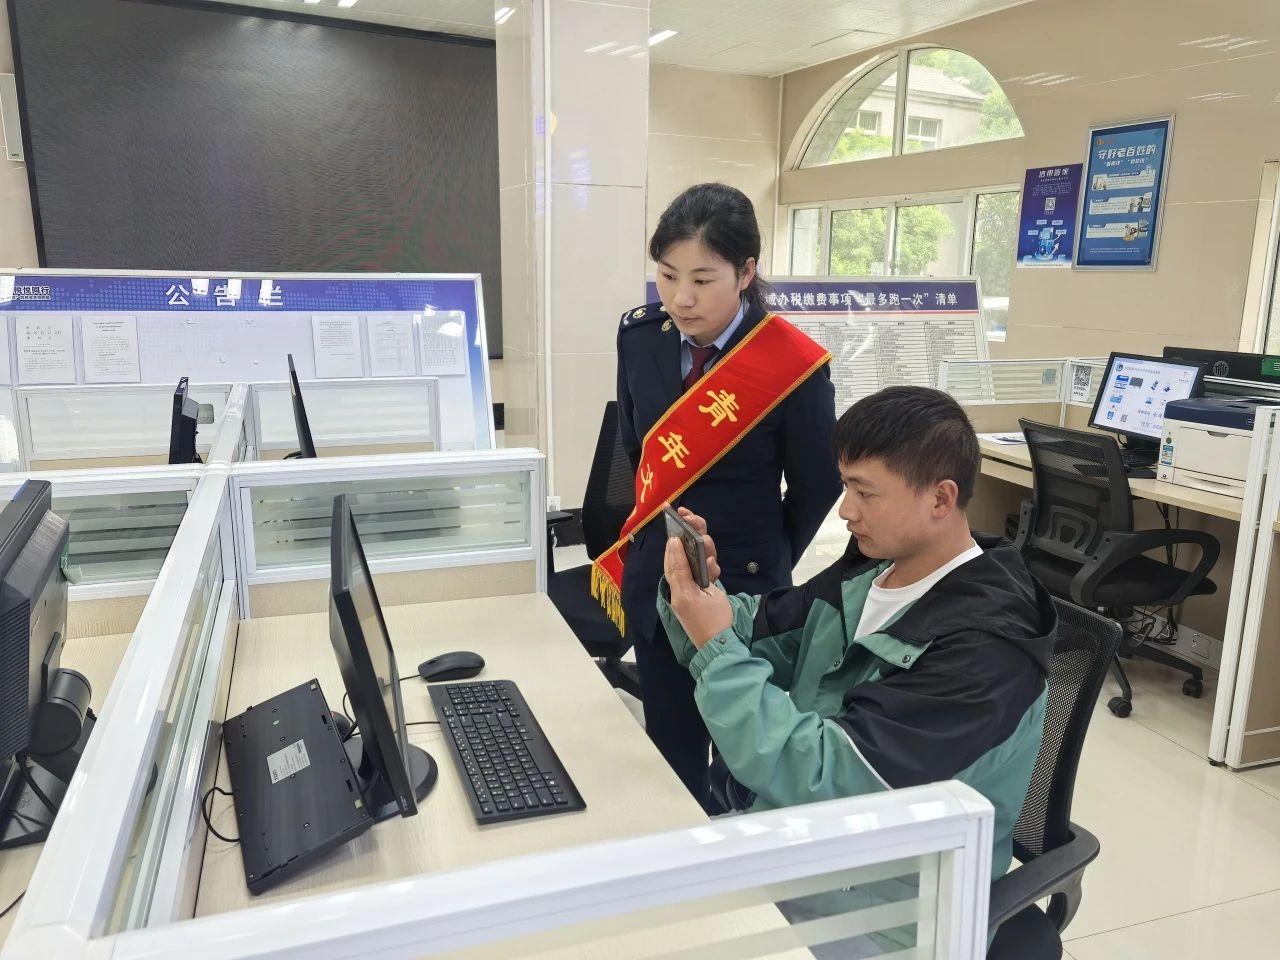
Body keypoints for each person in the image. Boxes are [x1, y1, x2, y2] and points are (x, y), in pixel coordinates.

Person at [657, 385, 1055, 883]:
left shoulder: (986, 648)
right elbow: (761, 630)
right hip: (800, 836)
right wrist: (694, 593)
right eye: (846, 486)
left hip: (891, 892)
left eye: (865, 493)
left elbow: (831, 783)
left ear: (940, 498)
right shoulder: (871, 572)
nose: (846, 511)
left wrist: (716, 649)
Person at [595, 182, 840, 811]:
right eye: (667, 275)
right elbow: (637, 445)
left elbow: (817, 484)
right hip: (655, 578)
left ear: (746, 272)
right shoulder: (640, 337)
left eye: (703, 279)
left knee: (740, 757)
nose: (681, 298)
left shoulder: (790, 363)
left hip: (743, 588)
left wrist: (768, 556)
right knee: (671, 751)